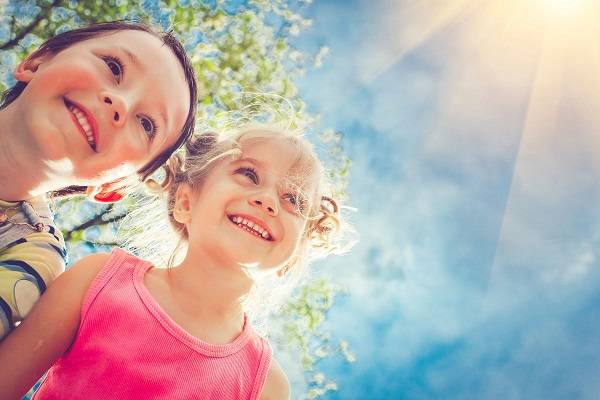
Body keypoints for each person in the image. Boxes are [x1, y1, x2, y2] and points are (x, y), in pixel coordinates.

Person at [0, 125, 347, 399]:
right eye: (249, 174)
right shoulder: (99, 279)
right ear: (185, 202)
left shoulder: (266, 386)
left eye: (293, 200)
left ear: (294, 255)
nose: (268, 200)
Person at [0, 21, 198, 340]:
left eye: (147, 124)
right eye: (113, 66)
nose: (120, 103)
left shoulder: (33, 256)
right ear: (36, 61)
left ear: (113, 187)